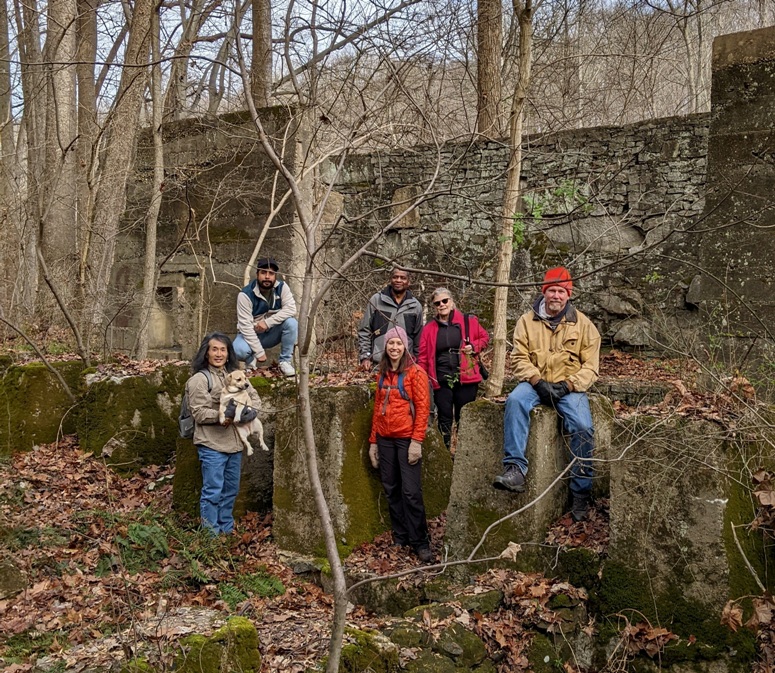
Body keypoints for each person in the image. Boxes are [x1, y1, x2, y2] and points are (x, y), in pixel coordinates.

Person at [493, 267, 601, 522]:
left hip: (569, 387)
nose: (556, 296)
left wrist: (568, 385)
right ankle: (515, 469)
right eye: (551, 290)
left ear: (568, 295)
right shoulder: (525, 321)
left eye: (561, 291)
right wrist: (536, 381)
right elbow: (518, 357)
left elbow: (592, 367)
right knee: (515, 400)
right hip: (535, 382)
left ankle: (581, 493)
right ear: (544, 292)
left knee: (583, 426)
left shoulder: (584, 325)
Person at [368, 325, 433, 563]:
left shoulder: (416, 373)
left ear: (405, 346)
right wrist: (373, 442)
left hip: (407, 439)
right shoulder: (382, 373)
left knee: (411, 492)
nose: (394, 348)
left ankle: (420, 541)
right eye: (391, 343)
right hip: (385, 439)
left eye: (398, 343)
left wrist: (417, 442)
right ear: (385, 346)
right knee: (391, 487)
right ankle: (401, 535)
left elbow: (423, 409)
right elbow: (377, 409)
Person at [186, 332, 261, 535]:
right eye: (214, 349)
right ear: (206, 352)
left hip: (235, 444)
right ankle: (210, 538)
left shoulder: (237, 375)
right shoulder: (199, 380)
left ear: (229, 353)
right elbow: (199, 412)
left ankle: (226, 532)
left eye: (223, 349)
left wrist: (250, 412)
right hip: (211, 444)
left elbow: (254, 397)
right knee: (212, 492)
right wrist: (225, 415)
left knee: (230, 491)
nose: (219, 354)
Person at [418, 287, 489, 449]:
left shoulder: (468, 321)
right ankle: (446, 453)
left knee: (464, 418)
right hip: (441, 380)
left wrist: (474, 346)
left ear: (451, 302)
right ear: (434, 306)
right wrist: (421, 377)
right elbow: (422, 356)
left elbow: (484, 337)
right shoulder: (428, 329)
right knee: (444, 418)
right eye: (437, 303)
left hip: (467, 378)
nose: (441, 305)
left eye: (445, 301)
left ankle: (463, 456)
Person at [234, 257, 298, 377]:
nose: (267, 277)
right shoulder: (245, 295)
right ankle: (250, 363)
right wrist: (259, 352)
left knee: (292, 323)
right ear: (257, 274)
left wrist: (267, 323)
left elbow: (291, 309)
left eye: (271, 273)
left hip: (272, 334)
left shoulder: (282, 288)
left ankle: (285, 361)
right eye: (263, 272)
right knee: (239, 350)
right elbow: (245, 327)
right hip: (251, 334)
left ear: (275, 276)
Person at [358, 267, 424, 370]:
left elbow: (418, 339)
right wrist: (365, 356)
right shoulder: (376, 301)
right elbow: (365, 331)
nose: (398, 280)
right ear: (390, 279)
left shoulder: (415, 306)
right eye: (395, 277)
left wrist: (417, 362)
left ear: (408, 282)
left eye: (402, 278)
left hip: (406, 365)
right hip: (378, 364)